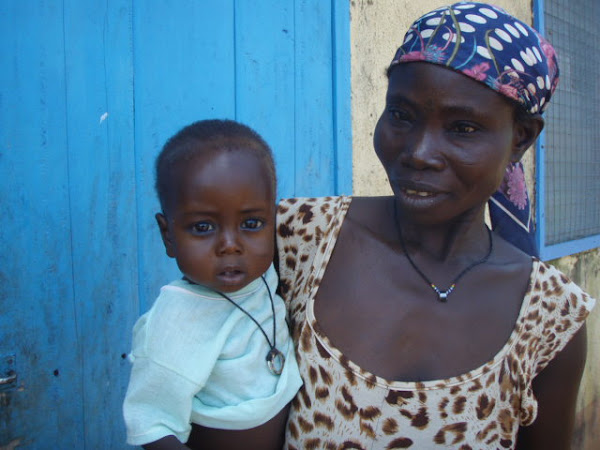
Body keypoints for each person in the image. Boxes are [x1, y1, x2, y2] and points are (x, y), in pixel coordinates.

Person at [275, 2, 596, 449]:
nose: (419, 152)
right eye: (402, 116)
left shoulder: (551, 316)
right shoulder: (299, 237)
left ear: (521, 138)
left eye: (463, 128)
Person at [123, 119, 302, 449]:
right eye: (203, 227)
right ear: (168, 237)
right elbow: (151, 423)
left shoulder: (264, 274)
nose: (231, 245)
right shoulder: (176, 321)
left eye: (251, 223)